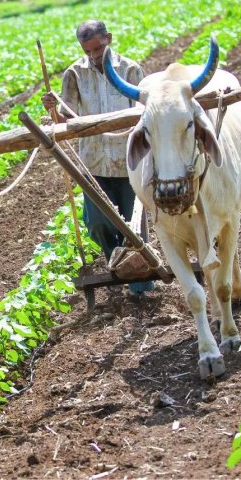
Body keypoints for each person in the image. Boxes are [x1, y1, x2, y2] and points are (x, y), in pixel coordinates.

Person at [42, 19, 154, 297]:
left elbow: (147, 111)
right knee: (96, 222)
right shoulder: (74, 74)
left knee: (134, 225)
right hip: (93, 163)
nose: (94, 56)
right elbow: (64, 120)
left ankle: (140, 287)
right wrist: (53, 111)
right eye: (88, 51)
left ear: (109, 39)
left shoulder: (130, 69)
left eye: (98, 49)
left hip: (129, 160)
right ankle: (115, 260)